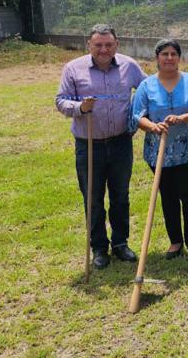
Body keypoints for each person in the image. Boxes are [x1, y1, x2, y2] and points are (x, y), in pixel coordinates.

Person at [56, 24, 146, 269]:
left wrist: (139, 113)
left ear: (117, 44)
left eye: (108, 44)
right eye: (98, 45)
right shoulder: (73, 69)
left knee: (120, 196)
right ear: (89, 45)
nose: (103, 49)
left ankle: (120, 244)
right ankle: (99, 248)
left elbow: (148, 90)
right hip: (89, 145)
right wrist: (80, 108)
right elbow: (60, 100)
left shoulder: (129, 66)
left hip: (120, 143)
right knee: (93, 199)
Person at [130, 39, 188, 263]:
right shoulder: (146, 86)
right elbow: (137, 116)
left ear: (179, 57)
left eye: (173, 54)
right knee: (167, 197)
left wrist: (182, 118)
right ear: (157, 57)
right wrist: (153, 126)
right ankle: (175, 241)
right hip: (158, 152)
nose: (169, 58)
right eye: (164, 54)